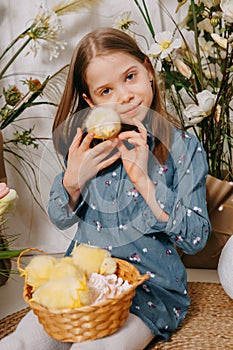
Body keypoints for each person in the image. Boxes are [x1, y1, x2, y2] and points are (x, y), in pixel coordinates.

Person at [0, 27, 211, 350]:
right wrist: (72, 180)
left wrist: (145, 183)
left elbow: (195, 238)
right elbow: (62, 216)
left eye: (130, 77)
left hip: (149, 290)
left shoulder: (184, 148)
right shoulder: (92, 149)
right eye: (106, 91)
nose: (124, 96)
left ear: (149, 71)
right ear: (91, 101)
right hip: (81, 279)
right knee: (23, 341)